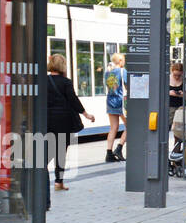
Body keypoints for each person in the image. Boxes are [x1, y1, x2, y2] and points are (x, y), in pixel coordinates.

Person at [45, 53, 93, 191]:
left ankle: (41, 172)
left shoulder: (44, 80)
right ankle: (58, 182)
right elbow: (73, 100)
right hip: (63, 121)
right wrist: (85, 114)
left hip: (47, 121)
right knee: (60, 152)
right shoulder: (66, 82)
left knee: (48, 149)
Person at [103, 52, 127, 162]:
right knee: (130, 127)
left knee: (113, 128)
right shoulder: (123, 71)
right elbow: (128, 85)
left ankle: (109, 153)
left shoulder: (107, 72)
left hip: (110, 101)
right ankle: (119, 148)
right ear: (121, 61)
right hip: (121, 102)